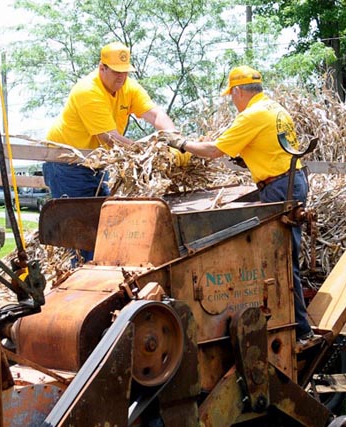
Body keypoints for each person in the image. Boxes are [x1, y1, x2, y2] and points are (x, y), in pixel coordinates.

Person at [167, 65, 314, 343]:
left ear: (238, 91)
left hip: (279, 187)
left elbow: (212, 152)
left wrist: (182, 143)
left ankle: (301, 331)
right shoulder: (274, 108)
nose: (233, 102)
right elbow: (269, 146)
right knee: (283, 258)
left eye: (231, 96)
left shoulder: (252, 115)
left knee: (280, 261)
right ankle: (296, 326)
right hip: (291, 181)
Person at [43, 41, 177, 262]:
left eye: (125, 72)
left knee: (104, 221)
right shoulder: (88, 91)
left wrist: (175, 137)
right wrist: (148, 151)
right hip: (66, 164)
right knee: (81, 230)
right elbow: (110, 137)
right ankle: (83, 278)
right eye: (116, 72)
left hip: (95, 163)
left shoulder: (128, 87)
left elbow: (153, 114)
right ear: (101, 68)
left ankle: (97, 270)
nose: (121, 77)